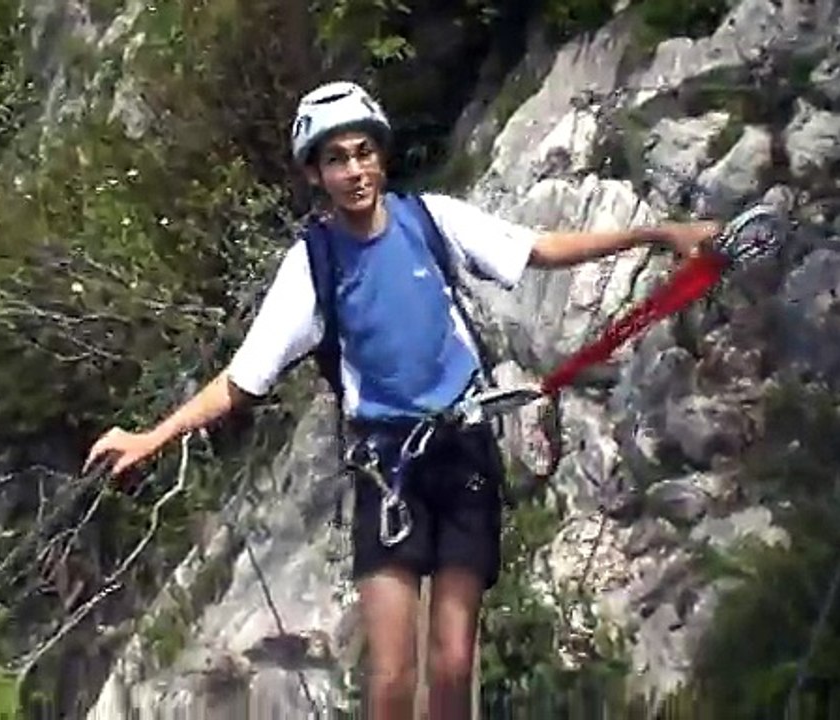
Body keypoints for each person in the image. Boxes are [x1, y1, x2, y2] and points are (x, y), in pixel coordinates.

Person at [84, 80, 718, 718]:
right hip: (388, 473)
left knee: (453, 663)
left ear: (382, 156)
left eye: (363, 152)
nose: (354, 170)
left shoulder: (431, 220)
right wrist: (151, 437)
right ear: (315, 173)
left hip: (465, 453)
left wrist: (659, 234)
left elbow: (538, 250)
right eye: (336, 159)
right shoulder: (313, 266)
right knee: (390, 676)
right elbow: (242, 380)